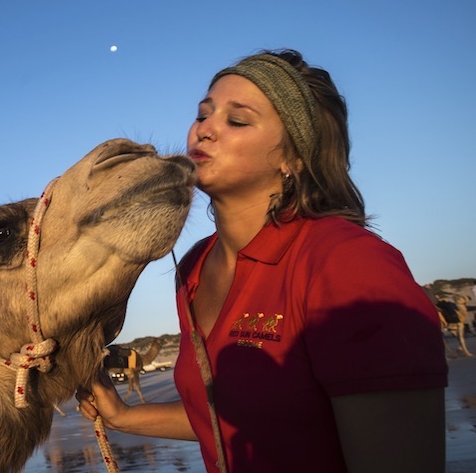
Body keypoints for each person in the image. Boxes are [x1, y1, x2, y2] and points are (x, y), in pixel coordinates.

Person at [77, 50, 447, 472]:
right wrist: (123, 416)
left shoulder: (349, 266)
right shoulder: (195, 266)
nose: (204, 130)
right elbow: (240, 417)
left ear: (293, 158)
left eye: (237, 120)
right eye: (202, 114)